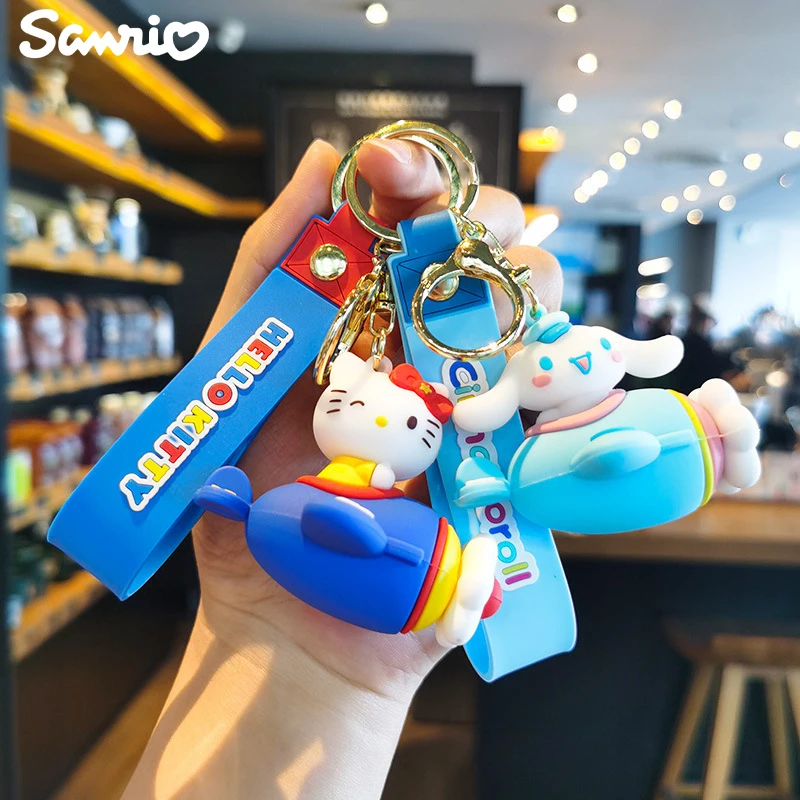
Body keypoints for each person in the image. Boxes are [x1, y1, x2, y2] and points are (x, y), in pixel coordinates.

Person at [122, 138, 563, 799]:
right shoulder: (284, 511)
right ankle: (465, 584)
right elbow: (344, 520)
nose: (388, 425)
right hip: (411, 571)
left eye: (415, 426)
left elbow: (351, 517)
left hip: (420, 571)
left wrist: (334, 685)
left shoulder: (302, 504)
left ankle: (466, 583)